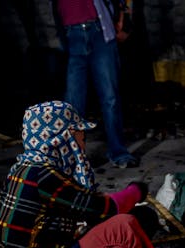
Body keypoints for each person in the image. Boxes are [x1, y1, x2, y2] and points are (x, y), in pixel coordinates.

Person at [0, 100, 173, 248]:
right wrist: (137, 190)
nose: (83, 143)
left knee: (128, 221)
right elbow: (107, 209)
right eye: (80, 136)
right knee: (126, 224)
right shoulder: (42, 176)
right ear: (62, 138)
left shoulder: (22, 169)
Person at [51, 0, 138, 168]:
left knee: (110, 97)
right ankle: (72, 158)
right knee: (73, 104)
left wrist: (123, 18)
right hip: (73, 35)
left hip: (99, 32)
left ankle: (118, 152)